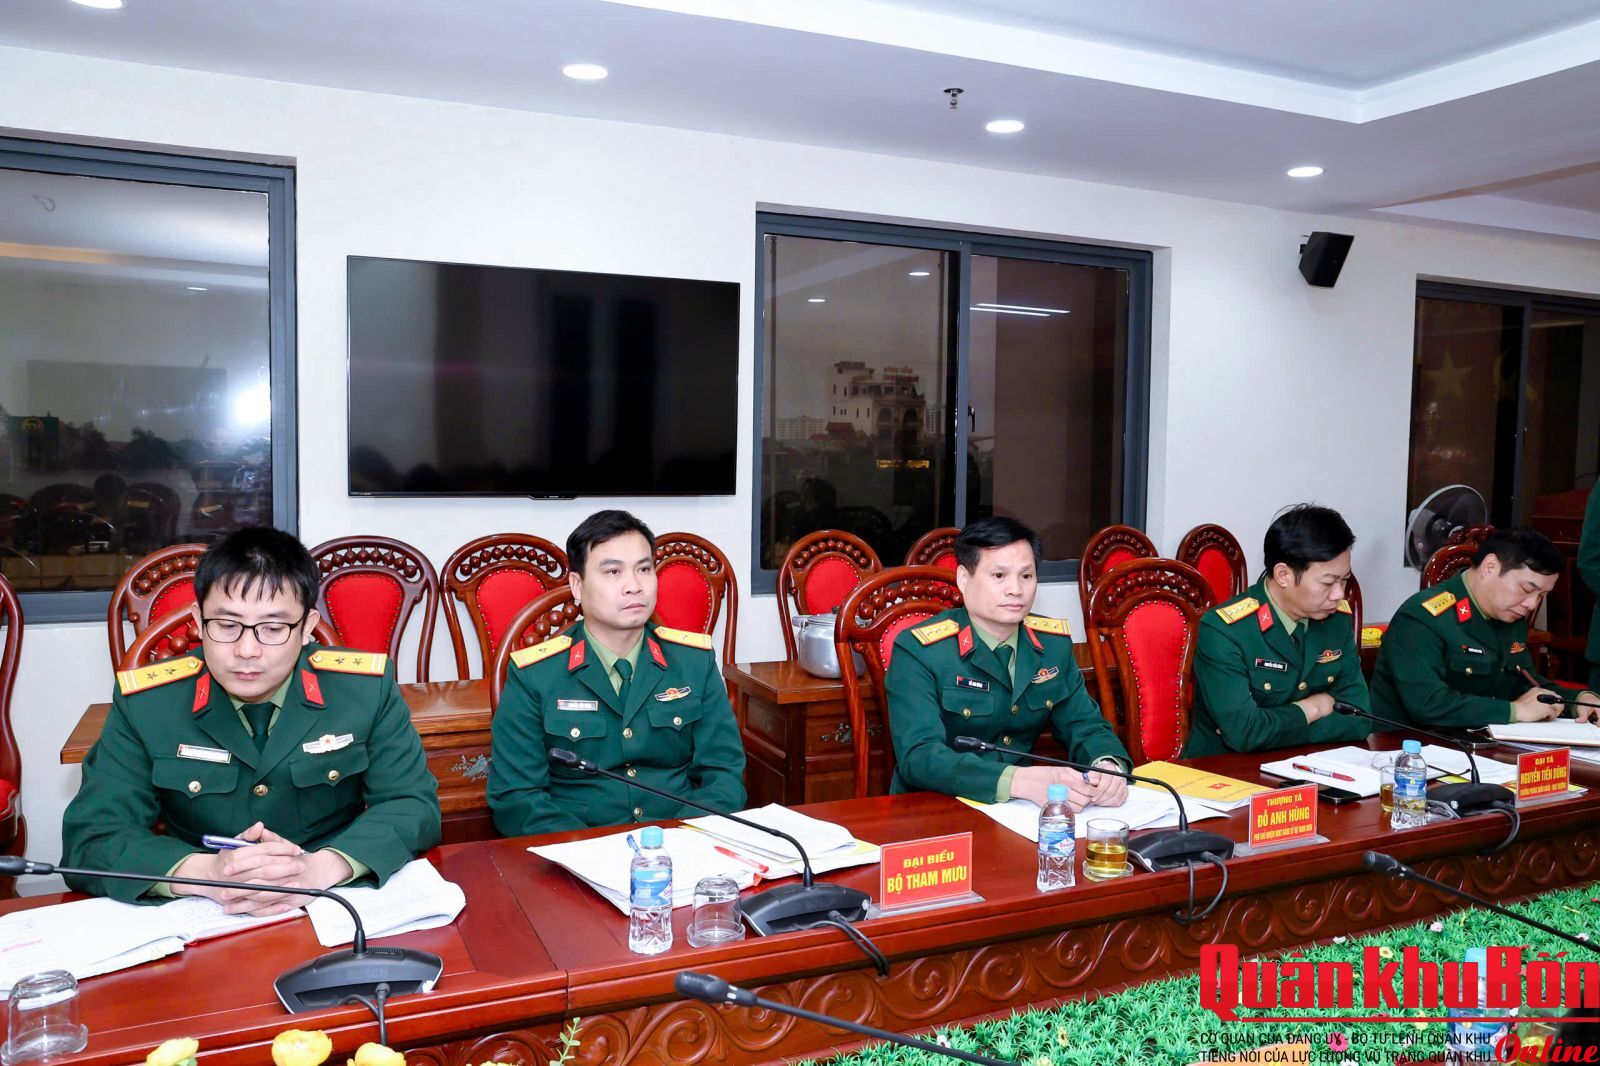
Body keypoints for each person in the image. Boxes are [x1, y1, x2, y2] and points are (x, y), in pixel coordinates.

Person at [61, 527, 440, 912]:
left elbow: (412, 805)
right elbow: (92, 838)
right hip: (203, 908)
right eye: (227, 626)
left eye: (273, 628)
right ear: (198, 620)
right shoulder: (149, 703)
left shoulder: (364, 690)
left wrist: (319, 869)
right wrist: (206, 873)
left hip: (331, 901)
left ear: (307, 628)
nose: (246, 650)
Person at [488, 510, 745, 836]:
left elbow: (724, 775)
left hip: (683, 842)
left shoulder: (694, 662)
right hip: (575, 850)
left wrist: (678, 841)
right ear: (577, 585)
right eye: (613, 572)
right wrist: (591, 852)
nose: (634, 586)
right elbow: (517, 799)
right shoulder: (535, 675)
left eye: (644, 569)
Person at [884, 517, 1130, 810]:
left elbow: (1086, 726)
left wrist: (1107, 766)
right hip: (934, 809)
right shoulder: (920, 650)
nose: (1016, 589)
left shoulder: (1052, 645)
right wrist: (1018, 781)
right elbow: (919, 756)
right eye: (999, 575)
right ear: (963, 578)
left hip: (1018, 811)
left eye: (1026, 576)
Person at [1185, 505, 1373, 757]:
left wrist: (1272, 728)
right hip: (1225, 770)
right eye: (1328, 582)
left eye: (1344, 579)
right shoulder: (1225, 630)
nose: (1339, 594)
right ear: (1283, 574)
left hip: (1308, 765)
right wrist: (1314, 708)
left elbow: (1359, 718)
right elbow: (1244, 733)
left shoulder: (1336, 621)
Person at [1372, 527, 1600, 728]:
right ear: (1490, 567)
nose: (1532, 604)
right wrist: (1514, 711)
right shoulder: (1423, 617)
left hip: (1478, 743)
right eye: (1527, 589)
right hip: (1408, 747)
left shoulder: (1510, 618)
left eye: (1542, 595)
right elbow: (1426, 703)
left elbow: (1526, 684)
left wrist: (1578, 700)